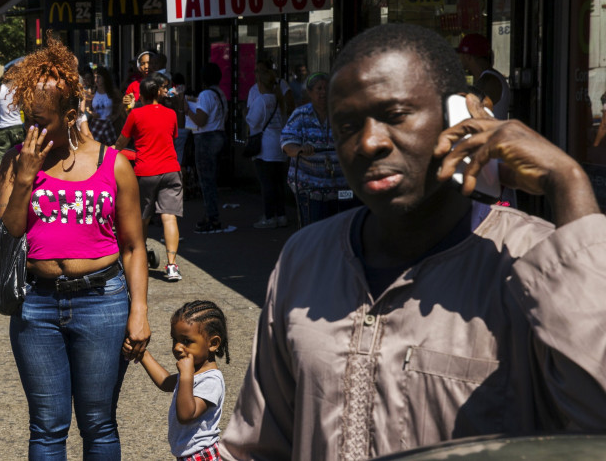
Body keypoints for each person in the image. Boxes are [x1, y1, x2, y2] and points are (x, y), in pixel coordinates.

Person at [220, 23, 606, 459]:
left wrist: (568, 183)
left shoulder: (532, 262)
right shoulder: (306, 257)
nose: (368, 142)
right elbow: (257, 445)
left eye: (396, 115)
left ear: (457, 119)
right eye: (346, 124)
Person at [0, 34, 150, 459]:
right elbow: (3, 234)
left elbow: (134, 247)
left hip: (103, 302)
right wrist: (24, 178)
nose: (32, 128)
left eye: (42, 119)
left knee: (98, 425)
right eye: (27, 116)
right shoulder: (17, 161)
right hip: (36, 306)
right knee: (46, 428)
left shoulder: (111, 163)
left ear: (71, 111)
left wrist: (139, 313)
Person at [140, 300, 229, 461]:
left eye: (186, 341)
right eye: (175, 340)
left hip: (201, 455)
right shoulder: (193, 371)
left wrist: (186, 376)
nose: (177, 347)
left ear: (213, 343)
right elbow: (166, 382)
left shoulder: (211, 380)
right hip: (188, 454)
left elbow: (187, 414)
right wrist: (143, 355)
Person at [115, 73, 184, 281]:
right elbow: (171, 137)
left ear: (141, 96)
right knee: (169, 216)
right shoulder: (170, 114)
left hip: (145, 171)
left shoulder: (135, 115)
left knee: (142, 218)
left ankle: (140, 257)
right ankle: (172, 266)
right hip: (171, 169)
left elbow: (121, 143)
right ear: (158, 94)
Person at [281, 72, 360, 227]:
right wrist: (299, 149)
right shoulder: (301, 115)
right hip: (311, 189)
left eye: (327, 88)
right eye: (319, 89)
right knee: (314, 230)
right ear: (310, 93)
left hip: (341, 188)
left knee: (343, 228)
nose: (324, 92)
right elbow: (286, 143)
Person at [185, 63, 230, 233]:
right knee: (211, 179)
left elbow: (201, 120)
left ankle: (212, 218)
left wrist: (187, 110)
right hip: (219, 134)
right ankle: (211, 215)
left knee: (206, 181)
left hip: (206, 137)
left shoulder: (205, 95)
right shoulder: (220, 93)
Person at [246, 68, 288, 229]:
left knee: (267, 184)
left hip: (265, 146)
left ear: (261, 84)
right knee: (278, 183)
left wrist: (245, 113)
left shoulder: (261, 100)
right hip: (280, 144)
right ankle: (281, 215)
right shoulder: (279, 99)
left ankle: (269, 217)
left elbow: (252, 121)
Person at [456, 33, 511, 120]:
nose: (459, 58)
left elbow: (470, 112)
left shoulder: (489, 81)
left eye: (460, 54)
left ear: (468, 56)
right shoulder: (489, 78)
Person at [0, 66, 24, 170]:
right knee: (19, 154)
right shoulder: (20, 89)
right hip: (18, 126)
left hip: (3, 127)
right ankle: (17, 179)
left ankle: (0, 182)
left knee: (0, 157)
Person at [90, 65, 125, 146]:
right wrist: (91, 113)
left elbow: (122, 102)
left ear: (104, 78)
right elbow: (86, 108)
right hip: (96, 125)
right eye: (94, 77)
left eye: (98, 77)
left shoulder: (112, 92)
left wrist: (115, 116)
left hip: (110, 125)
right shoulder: (92, 92)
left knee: (111, 150)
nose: (96, 80)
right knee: (95, 149)